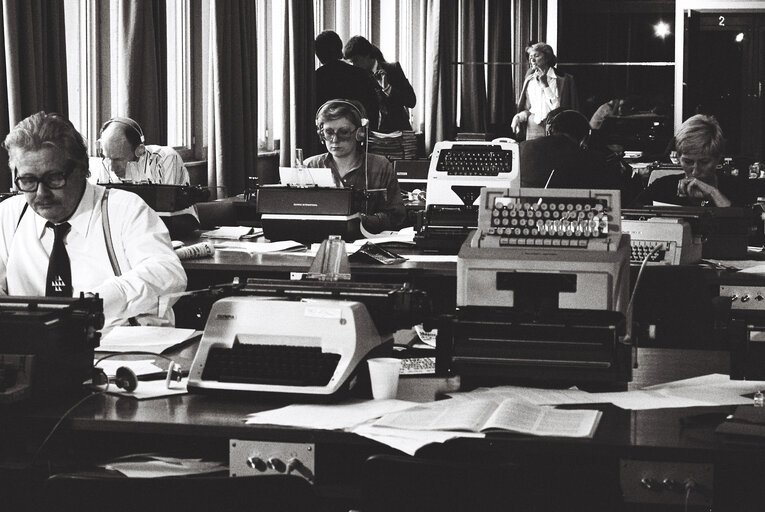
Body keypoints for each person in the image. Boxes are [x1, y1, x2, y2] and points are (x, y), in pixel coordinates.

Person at [0, 111, 187, 333]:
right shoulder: (9, 215)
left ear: (82, 170)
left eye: (54, 178)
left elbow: (168, 274)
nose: (41, 193)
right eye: (28, 180)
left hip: (120, 350)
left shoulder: (124, 209)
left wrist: (93, 304)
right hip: (35, 352)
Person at [303, 99, 406, 233]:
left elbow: (397, 217)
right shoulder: (309, 166)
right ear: (321, 133)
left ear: (360, 133)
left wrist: (362, 220)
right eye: (329, 132)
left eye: (344, 132)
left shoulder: (381, 166)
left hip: (367, 243)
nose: (335, 140)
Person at [91, 116, 200, 236]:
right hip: (128, 231)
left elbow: (165, 213)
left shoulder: (166, 158)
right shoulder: (107, 163)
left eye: (118, 160)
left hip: (176, 229)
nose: (111, 168)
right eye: (107, 157)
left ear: (140, 150)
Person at [630, 114, 749, 207]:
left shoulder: (735, 188)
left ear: (717, 159)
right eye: (688, 162)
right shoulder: (664, 187)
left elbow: (745, 226)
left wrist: (713, 193)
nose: (695, 171)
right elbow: (630, 214)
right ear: (678, 158)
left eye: (704, 162)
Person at [519, 108, 623, 192]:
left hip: (526, 215)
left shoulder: (521, 149)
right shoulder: (593, 160)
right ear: (584, 138)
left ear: (550, 130)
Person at [343, 36, 416, 133]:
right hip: (371, 135)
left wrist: (387, 88)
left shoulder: (393, 69)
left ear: (367, 55)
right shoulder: (356, 77)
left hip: (398, 133)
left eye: (356, 60)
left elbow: (411, 101)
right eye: (351, 62)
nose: (354, 65)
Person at [314, 30, 380, 132]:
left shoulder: (314, 79)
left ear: (318, 54)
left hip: (326, 138)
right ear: (340, 49)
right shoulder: (361, 74)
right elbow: (373, 110)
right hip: (356, 136)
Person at [512, 42, 578, 141]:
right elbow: (530, 109)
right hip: (533, 129)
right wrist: (518, 117)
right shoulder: (529, 80)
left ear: (547, 58)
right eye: (530, 57)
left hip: (556, 129)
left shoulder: (564, 79)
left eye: (536, 56)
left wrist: (545, 85)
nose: (532, 60)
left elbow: (558, 109)